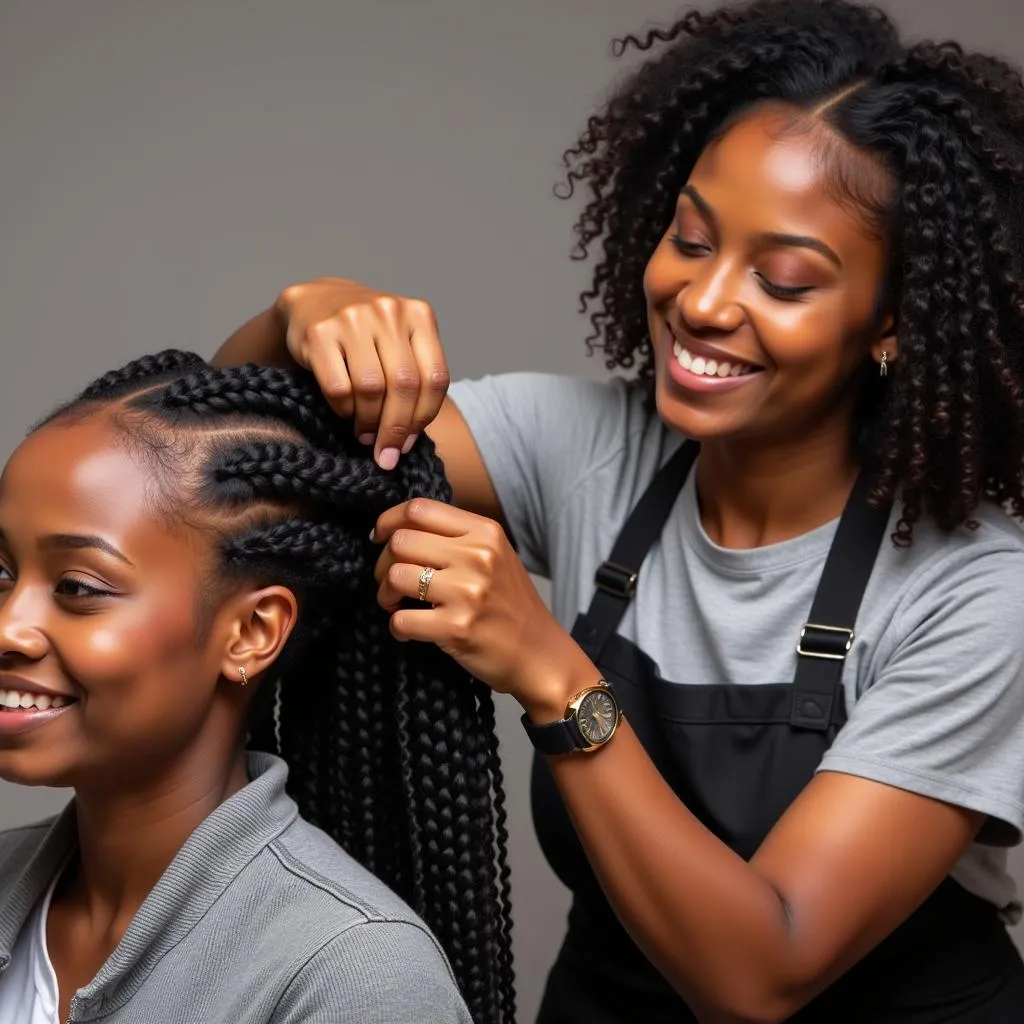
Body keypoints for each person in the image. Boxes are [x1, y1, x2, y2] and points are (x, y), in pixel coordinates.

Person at [214, 0, 1024, 1019]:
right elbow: (220, 469)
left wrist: (551, 670)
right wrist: (298, 316)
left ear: (892, 319)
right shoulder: (591, 448)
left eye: (781, 280)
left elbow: (760, 970)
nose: (703, 300)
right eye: (691, 238)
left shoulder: (975, 591)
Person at [0, 351, 517, 1023]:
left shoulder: (356, 979)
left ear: (251, 632)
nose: (10, 627)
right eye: (3, 573)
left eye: (78, 588)